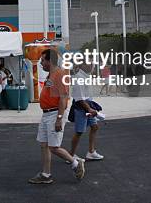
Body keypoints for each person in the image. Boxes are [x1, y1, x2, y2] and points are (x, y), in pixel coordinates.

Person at [29, 49, 85, 184]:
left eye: (43, 60)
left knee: (53, 147)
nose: (41, 63)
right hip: (47, 113)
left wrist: (59, 118)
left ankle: (76, 164)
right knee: (44, 144)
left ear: (50, 61)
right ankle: (46, 174)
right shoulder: (51, 74)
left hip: (55, 113)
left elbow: (63, 98)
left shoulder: (59, 74)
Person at [69, 63, 105, 162]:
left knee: (94, 127)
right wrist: (89, 109)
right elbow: (79, 99)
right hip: (82, 108)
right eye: (91, 64)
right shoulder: (79, 78)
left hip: (88, 107)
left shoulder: (85, 76)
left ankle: (91, 152)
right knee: (79, 132)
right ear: (83, 65)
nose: (93, 66)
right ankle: (70, 156)